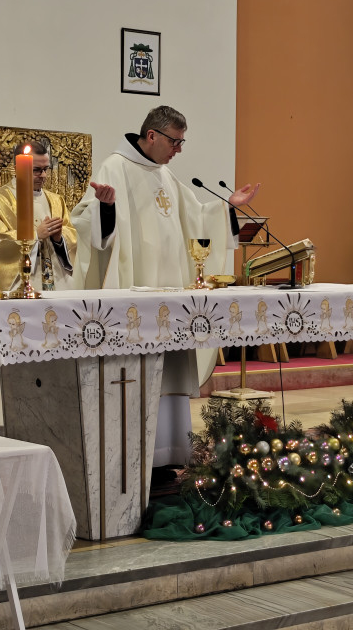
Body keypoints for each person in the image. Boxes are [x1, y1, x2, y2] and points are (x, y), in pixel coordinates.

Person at [71, 105, 258, 465]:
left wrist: (226, 209)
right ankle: (131, 459)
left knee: (168, 374)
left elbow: (196, 217)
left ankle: (171, 454)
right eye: (175, 141)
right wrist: (106, 208)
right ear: (152, 135)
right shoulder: (115, 167)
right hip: (135, 298)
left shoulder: (167, 176)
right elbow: (84, 224)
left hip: (171, 302)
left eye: (182, 142)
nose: (179, 149)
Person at [0, 139, 77, 293]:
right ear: (17, 168)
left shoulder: (56, 200)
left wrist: (59, 239)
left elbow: (71, 234)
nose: (44, 175)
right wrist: (34, 236)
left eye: (46, 169)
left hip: (56, 285)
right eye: (37, 170)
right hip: (16, 289)